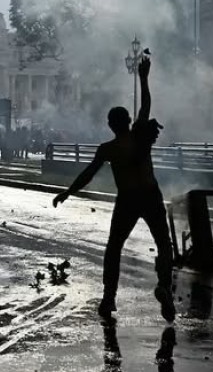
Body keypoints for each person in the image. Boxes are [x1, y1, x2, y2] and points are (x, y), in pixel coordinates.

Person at [52, 55, 175, 322]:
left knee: (114, 248)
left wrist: (68, 192)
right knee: (164, 245)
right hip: (151, 194)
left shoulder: (107, 149)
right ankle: (164, 285)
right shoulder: (140, 135)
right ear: (129, 121)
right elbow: (147, 105)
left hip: (128, 199)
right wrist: (144, 78)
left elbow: (88, 174)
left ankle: (109, 297)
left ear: (110, 125)